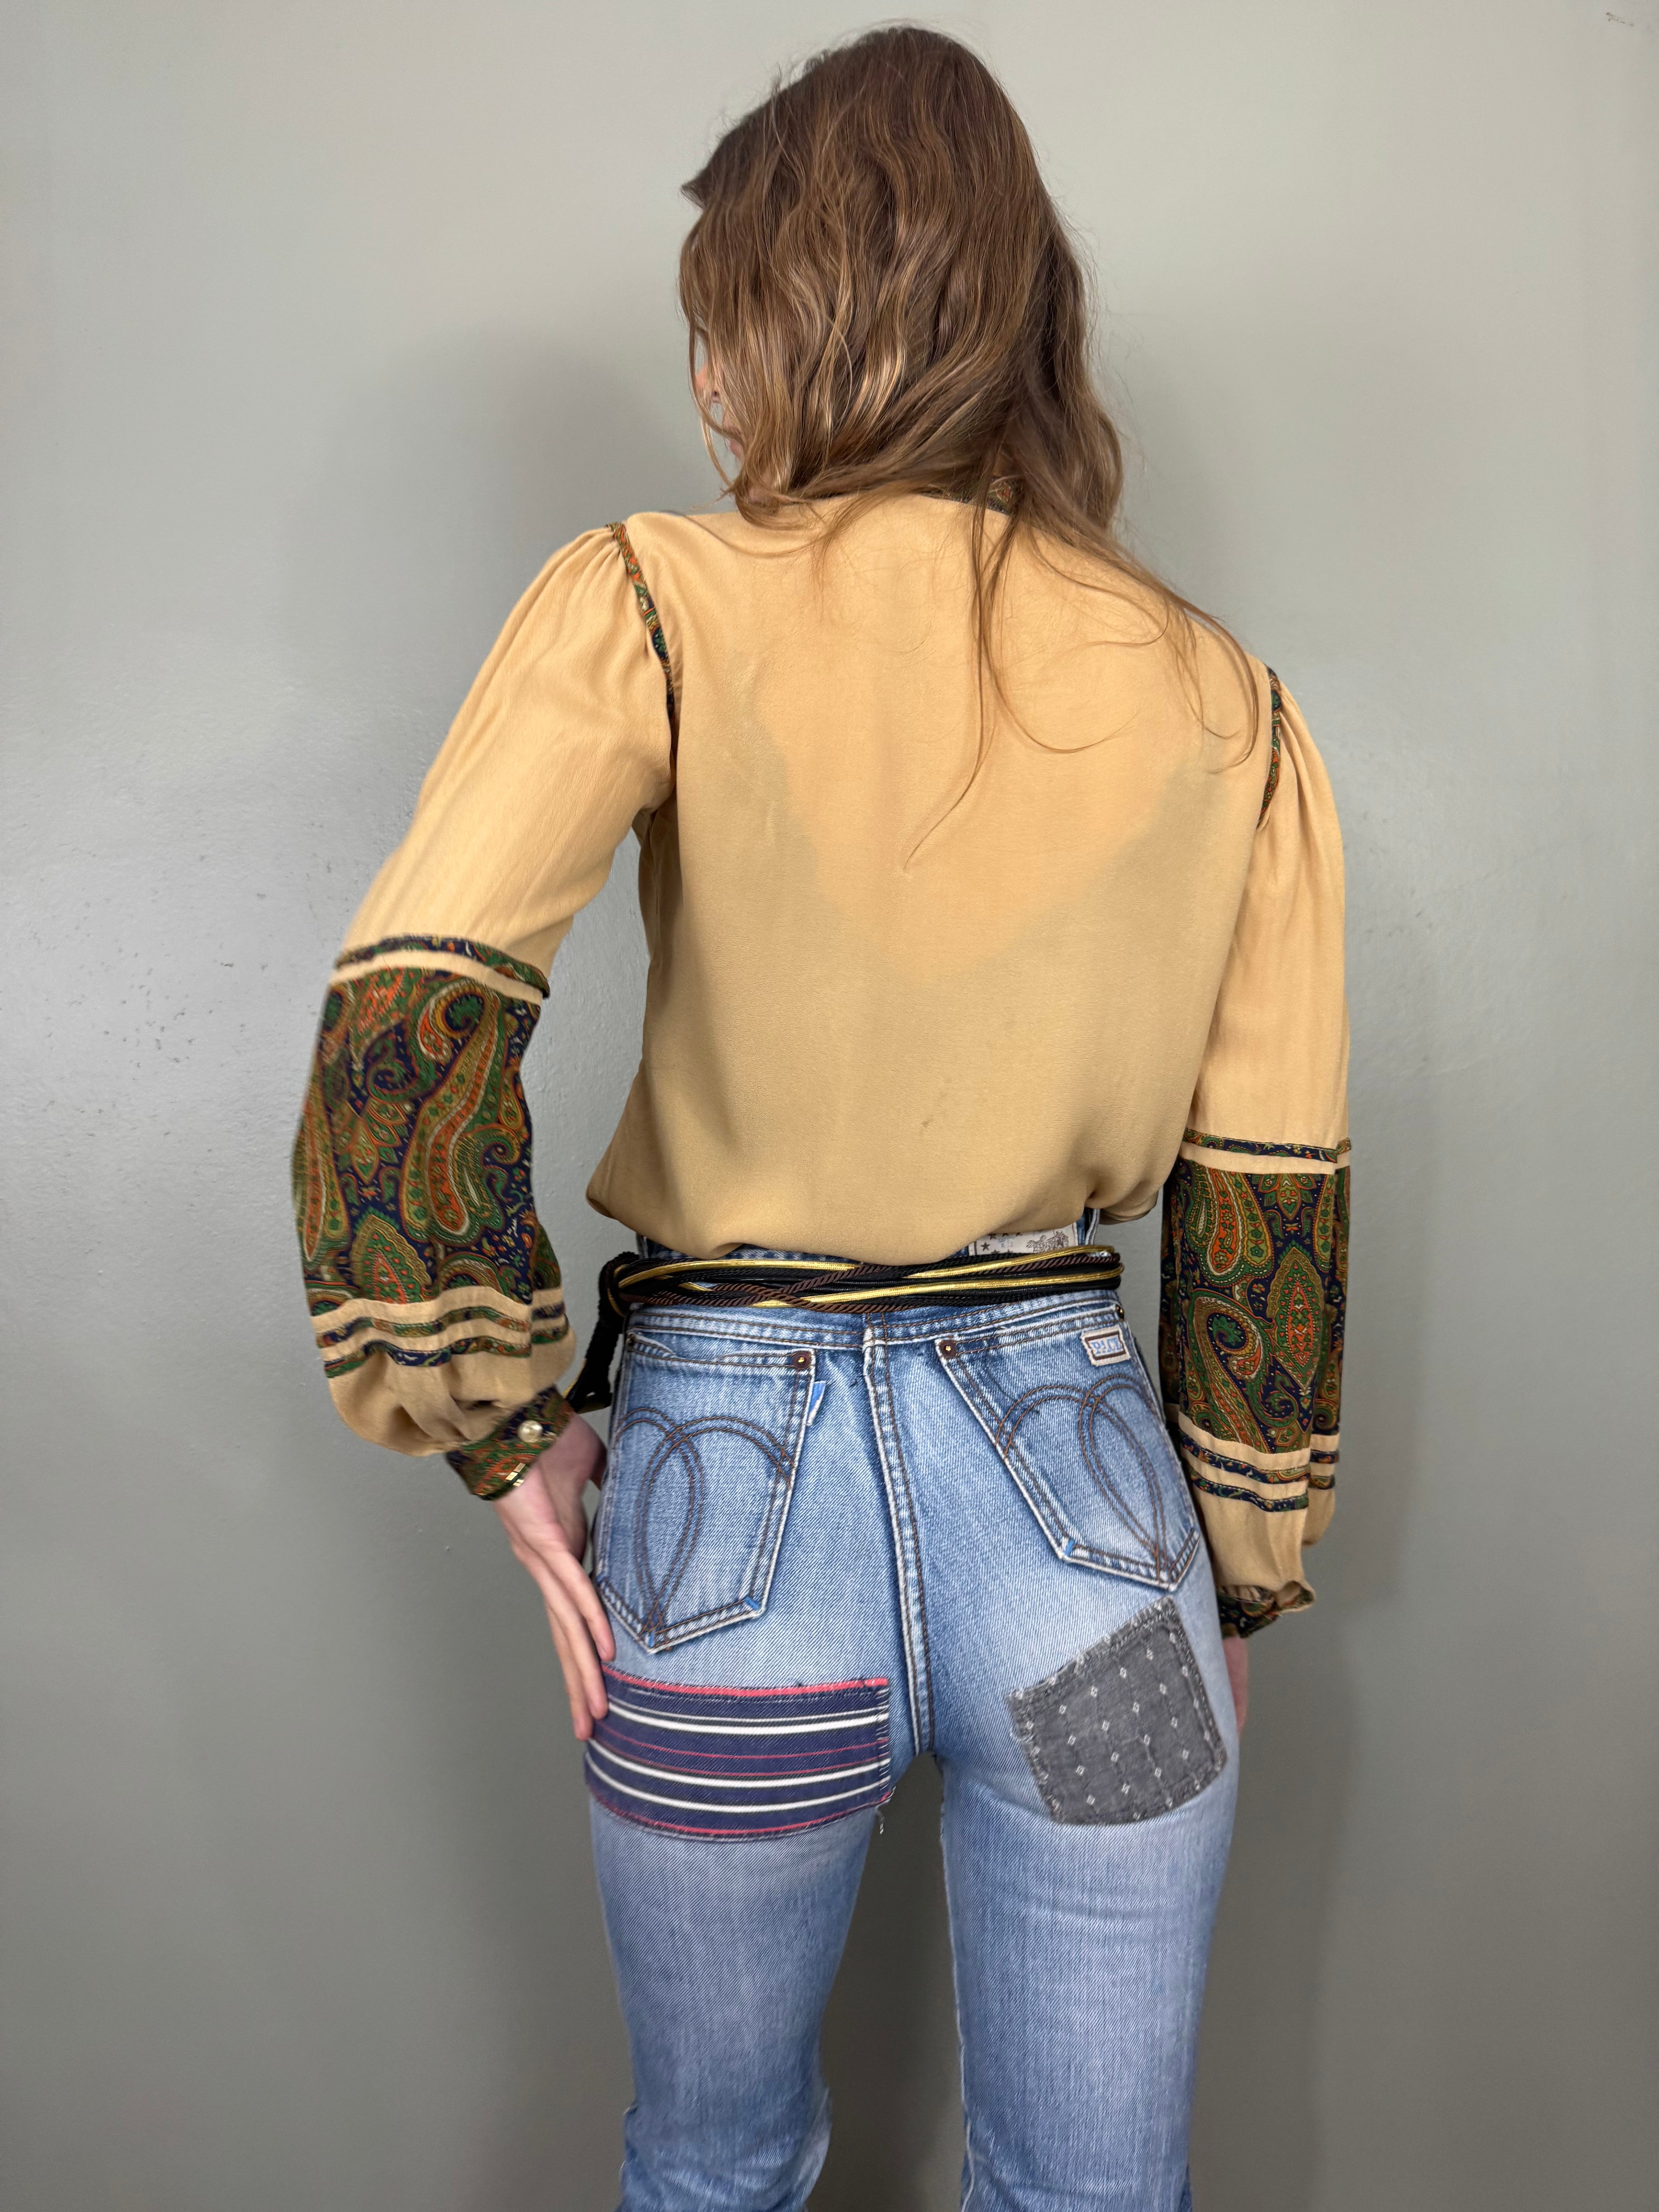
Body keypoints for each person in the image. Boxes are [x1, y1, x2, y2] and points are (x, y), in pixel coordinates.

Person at [290, 26, 1348, 2211]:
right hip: (1097, 1573)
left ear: (790, 316)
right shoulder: (1218, 697)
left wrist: (502, 1428)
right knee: (1098, 2196)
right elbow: (1269, 1194)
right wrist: (1232, 1584)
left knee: (716, 2169)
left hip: (728, 1552)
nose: (706, 385)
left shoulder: (651, 601)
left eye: (721, 325)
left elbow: (406, 1028)